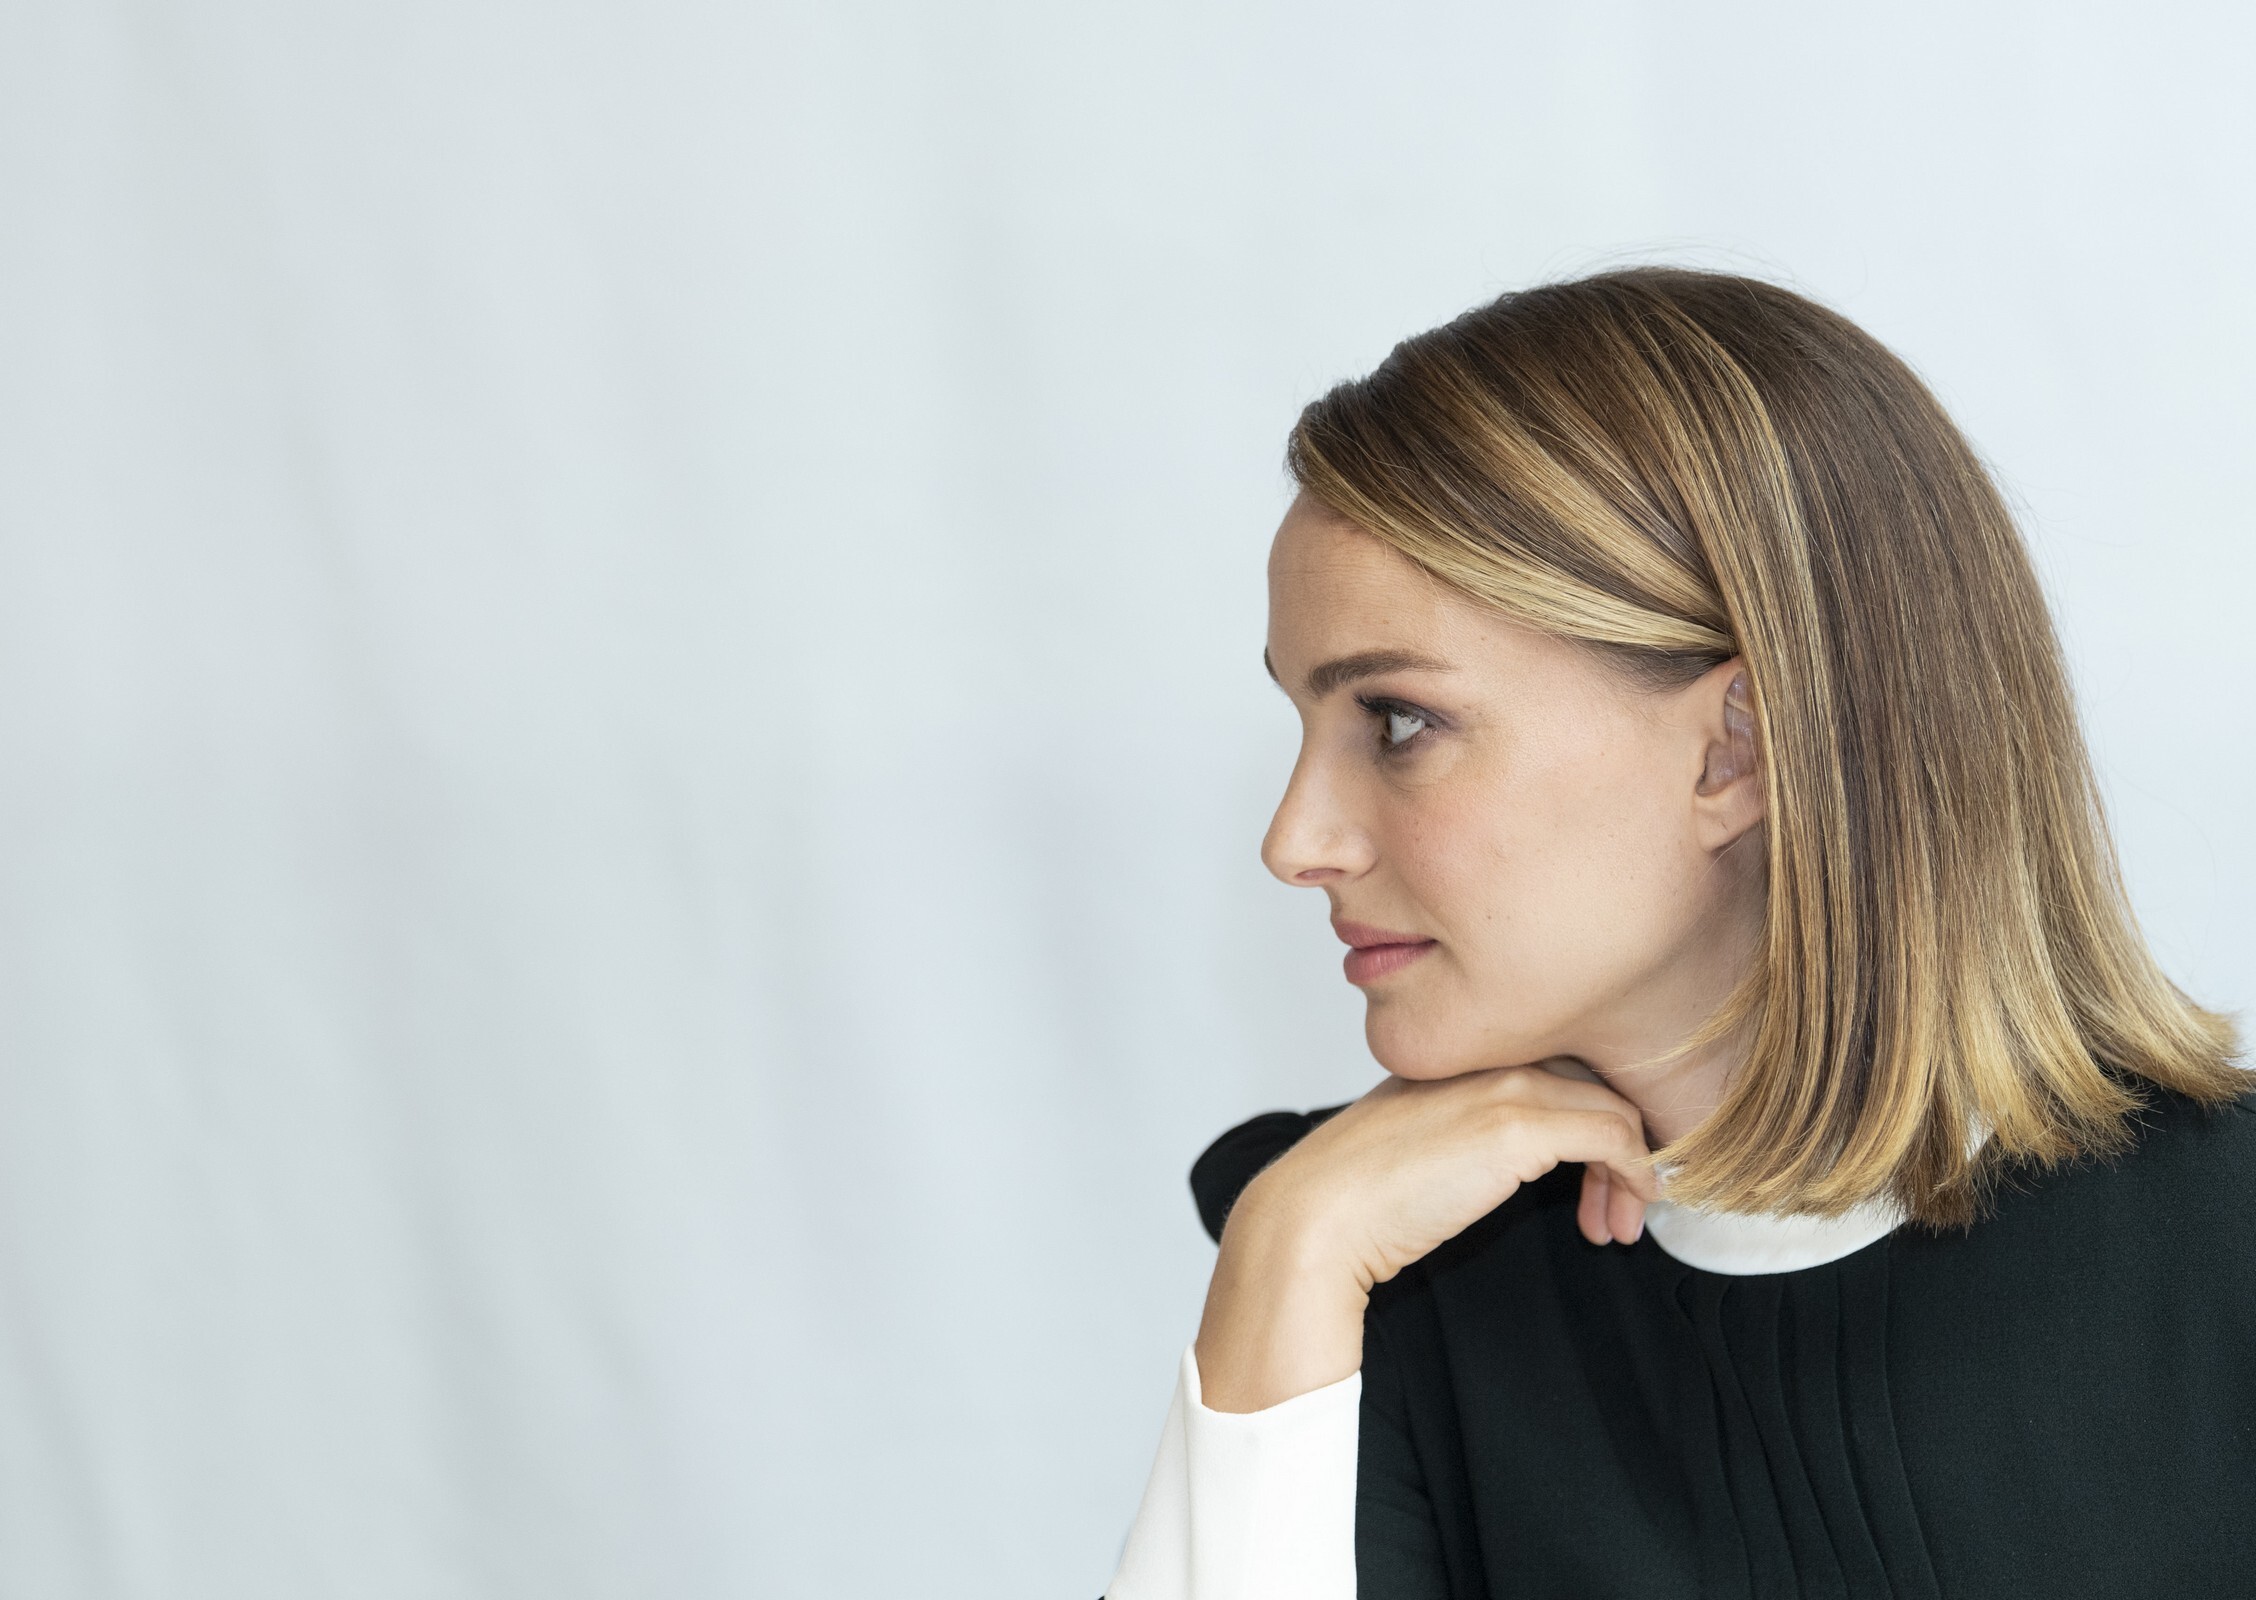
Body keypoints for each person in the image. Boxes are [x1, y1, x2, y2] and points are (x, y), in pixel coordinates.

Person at [1103, 267, 2253, 1600]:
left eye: (1398, 722)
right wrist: (1286, 1259)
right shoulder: (1378, 1277)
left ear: (1737, 750)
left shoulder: (2221, 1257)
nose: (1296, 840)